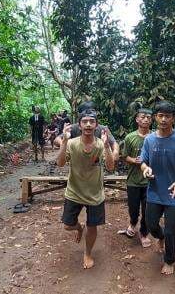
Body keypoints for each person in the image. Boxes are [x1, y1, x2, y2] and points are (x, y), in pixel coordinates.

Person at [140, 100, 175, 275]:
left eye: (168, 116)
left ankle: (170, 260)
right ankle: (160, 236)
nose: (164, 119)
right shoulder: (149, 139)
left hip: (173, 194)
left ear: (173, 119)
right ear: (155, 117)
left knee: (172, 231)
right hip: (154, 192)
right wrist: (145, 169)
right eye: (161, 115)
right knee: (151, 225)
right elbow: (143, 161)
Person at [56, 109, 115, 269]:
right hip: (74, 192)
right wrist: (64, 142)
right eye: (84, 121)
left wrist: (107, 146)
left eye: (91, 121)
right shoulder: (73, 143)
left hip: (95, 194)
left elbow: (110, 167)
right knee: (68, 225)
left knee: (92, 226)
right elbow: (60, 163)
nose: (88, 124)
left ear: (96, 125)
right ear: (79, 125)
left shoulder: (100, 144)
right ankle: (78, 227)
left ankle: (88, 253)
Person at [121, 107, 153, 247]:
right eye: (143, 117)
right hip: (133, 181)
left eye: (148, 117)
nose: (146, 119)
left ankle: (144, 233)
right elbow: (124, 156)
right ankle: (133, 223)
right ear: (137, 119)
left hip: (150, 182)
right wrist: (135, 160)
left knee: (147, 210)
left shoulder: (155, 137)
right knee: (133, 208)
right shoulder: (130, 137)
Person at [54, 101, 120, 162]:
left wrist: (115, 152)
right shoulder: (73, 128)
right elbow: (57, 140)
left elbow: (113, 142)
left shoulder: (102, 129)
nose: (88, 124)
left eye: (91, 112)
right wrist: (66, 145)